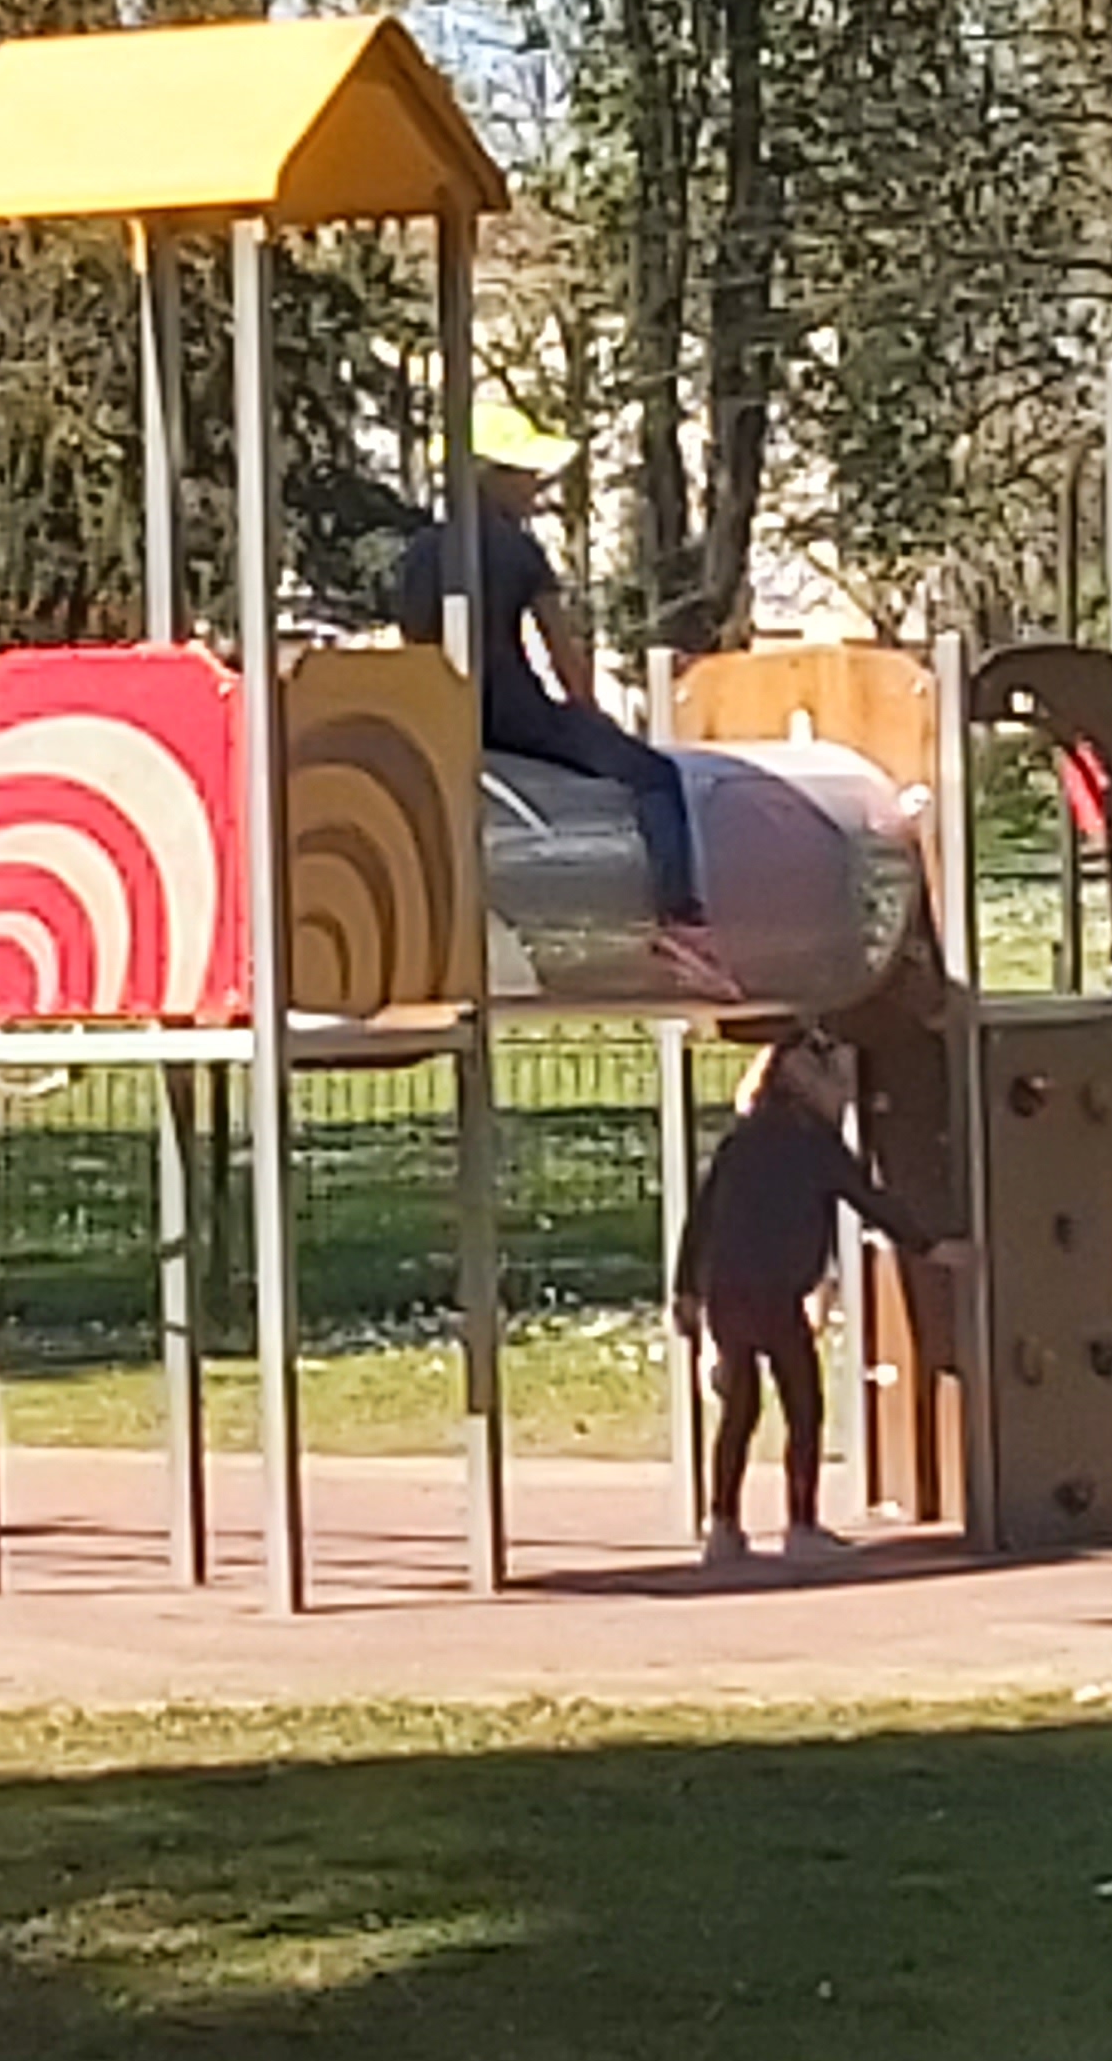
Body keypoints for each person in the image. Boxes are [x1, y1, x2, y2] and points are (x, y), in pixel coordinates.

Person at [394, 405, 736, 998]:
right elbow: (559, 647)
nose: (538, 488)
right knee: (656, 777)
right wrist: (587, 713)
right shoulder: (518, 551)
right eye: (527, 475)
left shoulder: (420, 552)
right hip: (516, 712)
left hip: (442, 713)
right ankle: (681, 920)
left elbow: (412, 641)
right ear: (492, 476)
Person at [670, 1030, 964, 1569]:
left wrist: (686, 1289)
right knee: (802, 1407)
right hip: (776, 1288)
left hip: (728, 1289)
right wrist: (930, 1245)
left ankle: (724, 1525)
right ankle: (800, 1524)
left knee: (739, 1408)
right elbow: (868, 1198)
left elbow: (701, 1218)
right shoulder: (813, 1144)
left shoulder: (742, 1140)